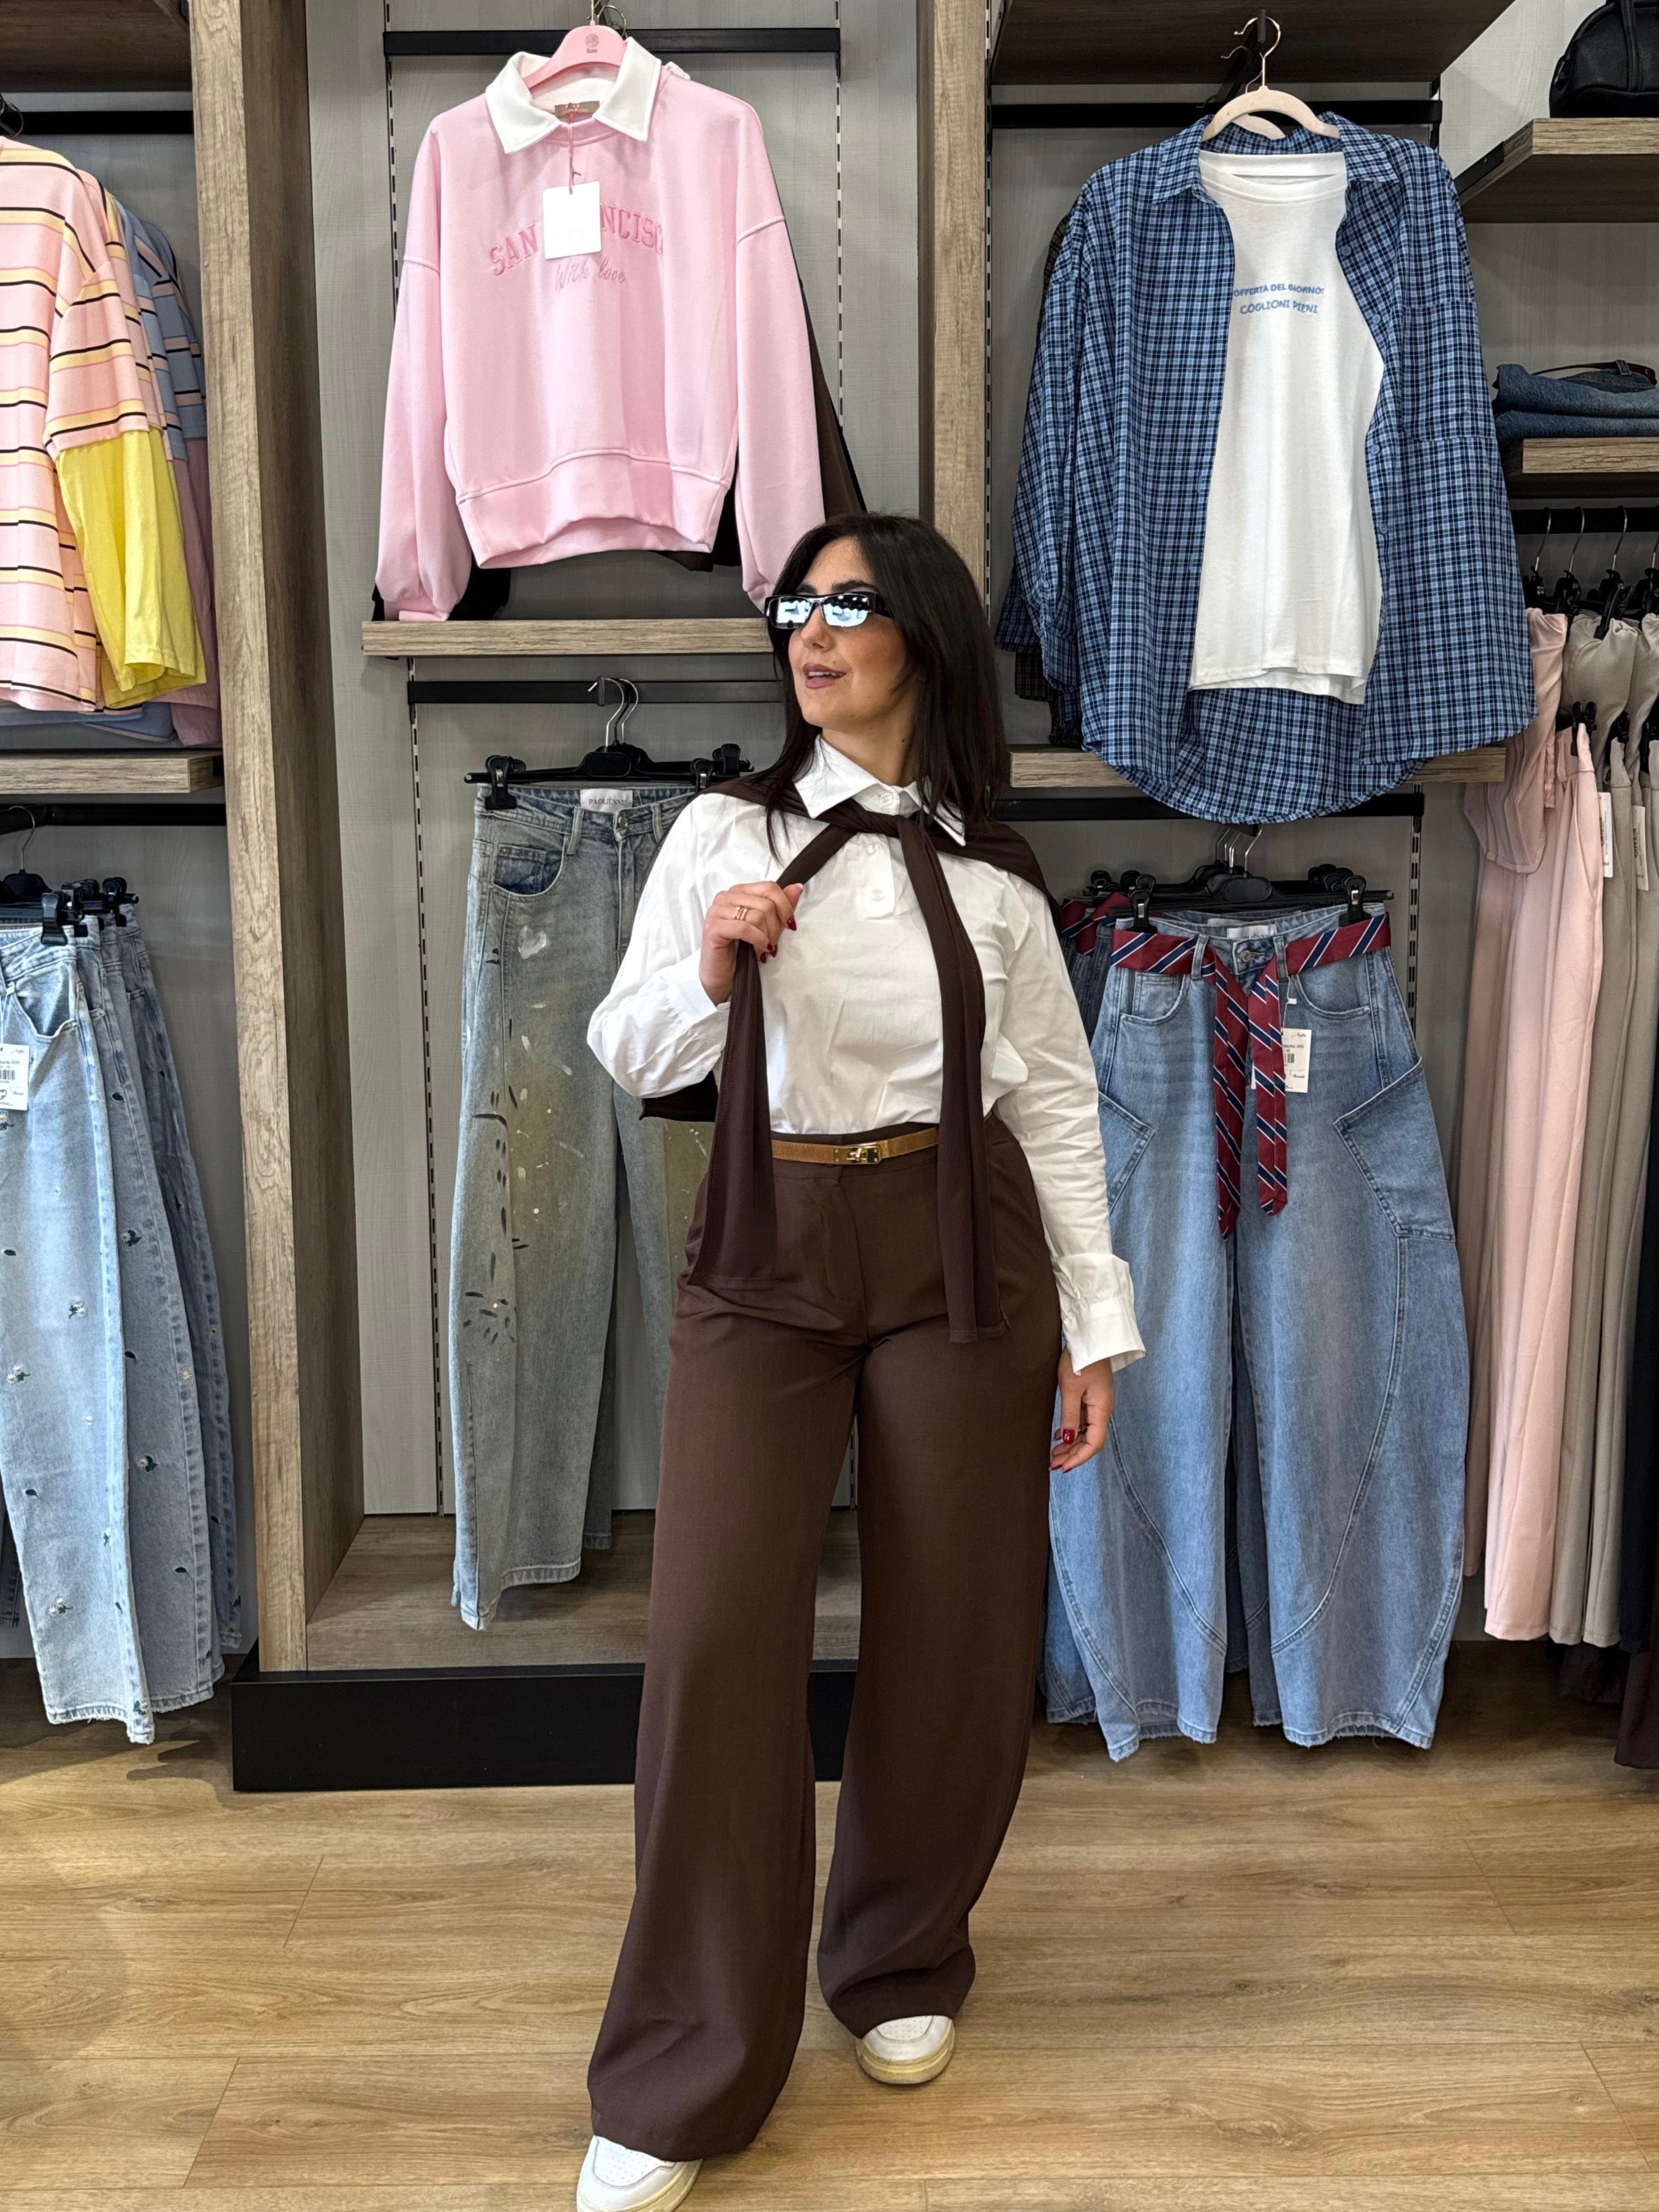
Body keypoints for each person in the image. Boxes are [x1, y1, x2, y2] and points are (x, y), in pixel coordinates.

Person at [575, 512, 1143, 2212]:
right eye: (795, 607)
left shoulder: (996, 875)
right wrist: (713, 962)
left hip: (959, 1243)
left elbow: (1053, 1102)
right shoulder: (724, 832)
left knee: (959, 1621)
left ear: (927, 637)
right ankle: (684, 2061)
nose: (810, 633)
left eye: (849, 604)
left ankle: (898, 1955)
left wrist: (1098, 1324)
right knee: (715, 1635)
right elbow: (633, 1050)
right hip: (768, 1239)